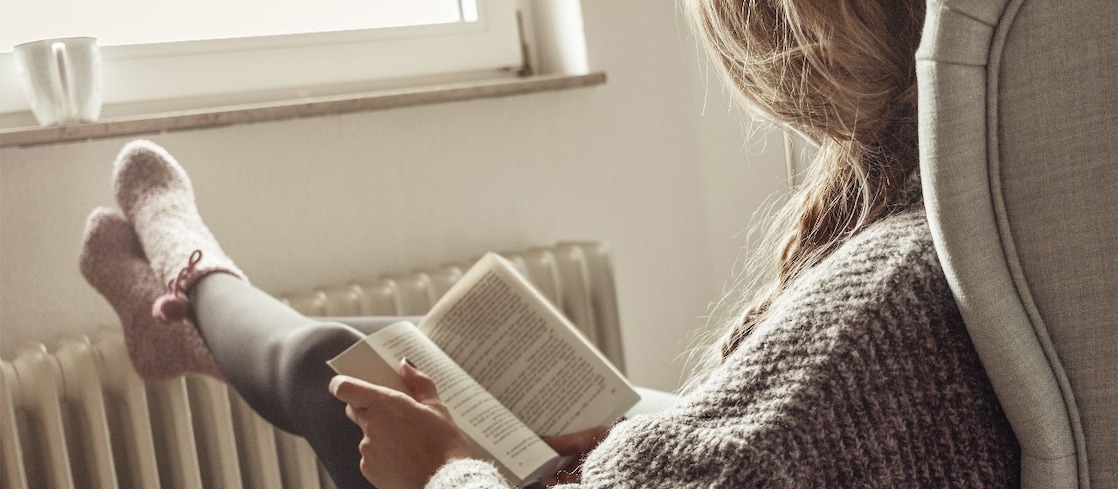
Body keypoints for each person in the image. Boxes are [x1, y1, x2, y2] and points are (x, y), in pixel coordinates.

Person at [78, 0, 1021, 488]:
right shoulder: (978, 235)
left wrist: (446, 467)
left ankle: (196, 284)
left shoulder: (883, 295)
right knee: (408, 358)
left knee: (353, 370)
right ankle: (197, 306)